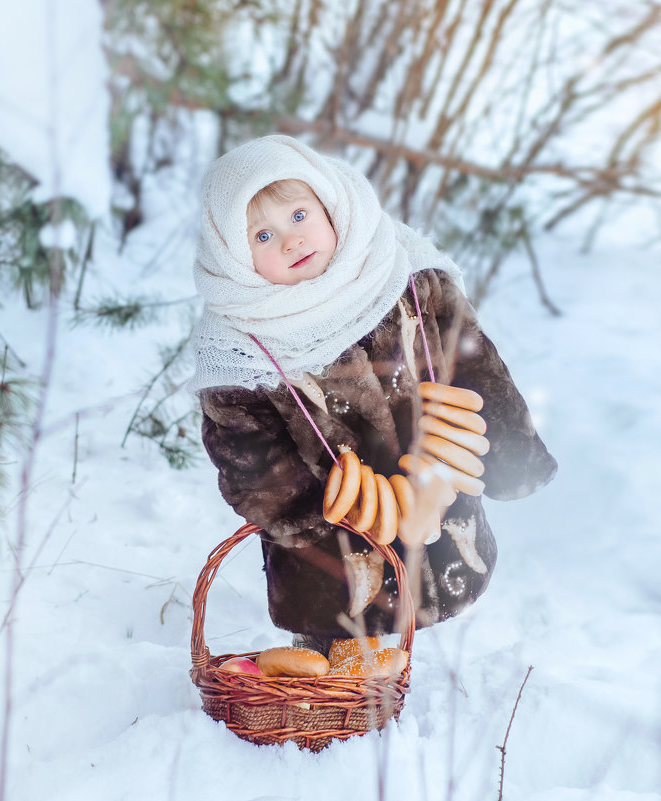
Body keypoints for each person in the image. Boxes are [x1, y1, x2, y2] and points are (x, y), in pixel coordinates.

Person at [191, 134, 557, 645]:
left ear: (330, 205)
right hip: (334, 573)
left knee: (453, 612)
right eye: (262, 237)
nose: (291, 241)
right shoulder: (239, 349)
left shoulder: (401, 270)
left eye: (298, 216)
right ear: (234, 256)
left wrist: (513, 456)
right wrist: (331, 512)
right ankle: (333, 651)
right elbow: (250, 463)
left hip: (448, 519)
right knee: (344, 647)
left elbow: (473, 363)